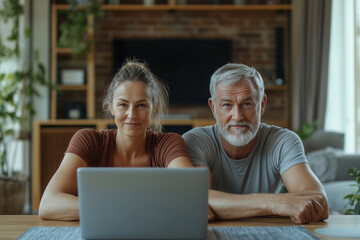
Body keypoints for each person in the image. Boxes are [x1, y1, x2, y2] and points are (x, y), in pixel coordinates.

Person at [39, 60, 193, 220]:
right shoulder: (88, 140)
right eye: (123, 105)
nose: (131, 114)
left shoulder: (169, 144)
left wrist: (110, 208)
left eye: (141, 105)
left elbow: (191, 199)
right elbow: (48, 204)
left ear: (153, 108)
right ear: (111, 106)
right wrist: (131, 208)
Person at [182, 63, 329, 224]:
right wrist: (273, 203)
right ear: (213, 108)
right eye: (226, 105)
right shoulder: (196, 141)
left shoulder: (282, 141)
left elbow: (319, 200)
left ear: (262, 105)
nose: (237, 116)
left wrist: (222, 205)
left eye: (247, 104)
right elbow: (197, 201)